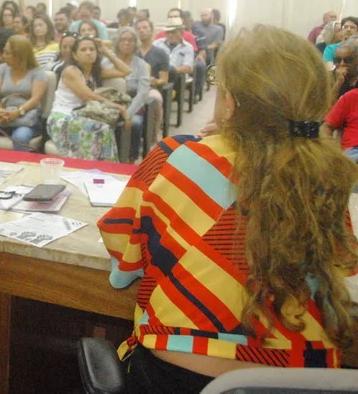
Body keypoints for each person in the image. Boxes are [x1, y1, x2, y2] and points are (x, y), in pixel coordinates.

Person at [98, 25, 358, 393]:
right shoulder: (326, 176)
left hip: (178, 376)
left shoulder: (175, 157)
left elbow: (124, 266)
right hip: (302, 381)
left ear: (231, 103)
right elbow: (342, 265)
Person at [46, 37, 130, 162]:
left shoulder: (95, 72)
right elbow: (88, 96)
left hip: (83, 116)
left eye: (92, 49)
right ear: (75, 55)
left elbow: (126, 71)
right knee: (103, 129)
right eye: (83, 50)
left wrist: (105, 51)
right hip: (62, 118)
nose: (89, 52)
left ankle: (104, 169)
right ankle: (101, 168)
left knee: (105, 129)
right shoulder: (70, 71)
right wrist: (120, 108)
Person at [0, 35, 47, 152]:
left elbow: (35, 99)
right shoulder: (2, 68)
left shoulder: (38, 72)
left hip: (26, 117)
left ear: (19, 55)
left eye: (7, 53)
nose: (4, 55)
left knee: (20, 137)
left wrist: (18, 112)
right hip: (3, 114)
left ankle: (20, 163)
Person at [107, 28, 150, 163]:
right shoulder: (107, 62)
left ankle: (131, 160)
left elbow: (143, 93)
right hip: (110, 102)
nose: (127, 43)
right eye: (123, 40)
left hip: (132, 103)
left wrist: (128, 113)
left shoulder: (140, 64)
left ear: (135, 44)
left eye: (130, 40)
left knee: (135, 123)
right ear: (117, 42)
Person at [135, 18, 170, 144]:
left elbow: (164, 79)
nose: (142, 31)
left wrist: (155, 81)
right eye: (138, 29)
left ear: (151, 30)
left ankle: (153, 136)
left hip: (151, 88)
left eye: (145, 28)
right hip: (132, 86)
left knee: (155, 99)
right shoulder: (132, 51)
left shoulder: (160, 53)